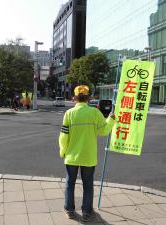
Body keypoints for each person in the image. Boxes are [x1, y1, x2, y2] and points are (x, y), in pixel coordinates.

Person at [59, 85, 115, 222]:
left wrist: (63, 151)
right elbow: (103, 131)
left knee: (69, 183)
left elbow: (64, 136)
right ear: (88, 98)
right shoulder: (94, 113)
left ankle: (69, 210)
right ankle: (87, 212)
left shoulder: (69, 113)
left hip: (72, 156)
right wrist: (111, 119)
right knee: (88, 184)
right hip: (89, 157)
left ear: (74, 98)